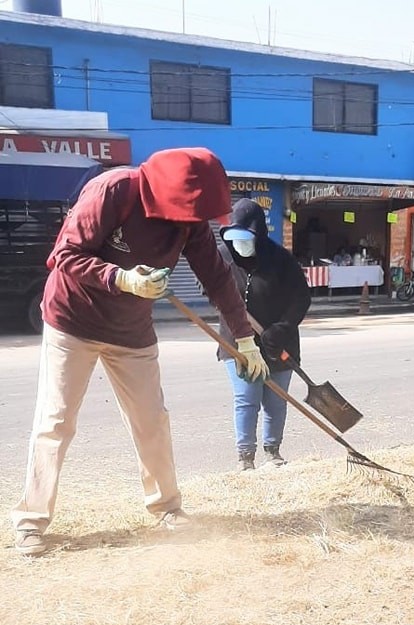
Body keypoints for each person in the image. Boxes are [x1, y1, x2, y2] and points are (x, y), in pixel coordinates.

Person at [12, 148, 268, 556]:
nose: (192, 221)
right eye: (189, 211)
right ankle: (31, 521)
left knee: (151, 419)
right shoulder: (114, 191)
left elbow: (218, 278)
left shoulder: (190, 221)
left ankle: (167, 507)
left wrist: (244, 338)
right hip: (72, 321)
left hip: (131, 330)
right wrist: (119, 278)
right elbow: (64, 255)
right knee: (56, 421)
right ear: (165, 191)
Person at [219, 198, 311, 470]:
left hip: (278, 344)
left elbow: (301, 298)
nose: (240, 245)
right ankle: (245, 458)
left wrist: (282, 328)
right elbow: (209, 287)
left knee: (276, 401)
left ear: (258, 234)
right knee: (246, 400)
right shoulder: (221, 257)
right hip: (237, 344)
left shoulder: (281, 259)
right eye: (234, 238)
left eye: (245, 238)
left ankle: (273, 452)